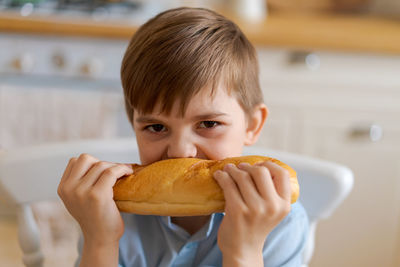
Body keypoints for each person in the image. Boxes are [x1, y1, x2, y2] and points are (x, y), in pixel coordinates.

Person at [57, 7, 308, 267]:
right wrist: (100, 241)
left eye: (208, 123)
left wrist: (244, 251)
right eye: (156, 127)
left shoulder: (279, 222)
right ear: (133, 125)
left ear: (252, 125)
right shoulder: (106, 214)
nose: (179, 151)